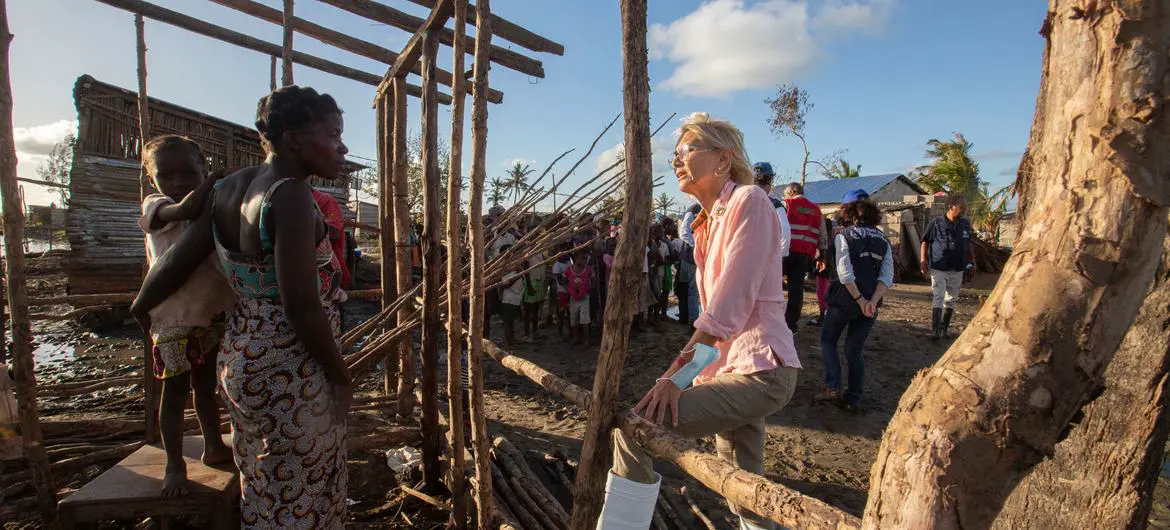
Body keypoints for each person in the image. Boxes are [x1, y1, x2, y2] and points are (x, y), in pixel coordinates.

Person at [132, 86, 351, 528]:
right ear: (292, 139)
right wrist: (340, 376)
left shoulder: (229, 187)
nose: (342, 147)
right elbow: (301, 305)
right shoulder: (289, 195)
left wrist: (142, 308)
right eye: (333, 134)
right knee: (303, 485)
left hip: (241, 356)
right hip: (290, 363)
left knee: (265, 477)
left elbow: (178, 260)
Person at [598, 113, 799, 530]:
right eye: (675, 153)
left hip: (760, 369)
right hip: (730, 368)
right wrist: (694, 372)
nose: (676, 160)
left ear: (723, 160)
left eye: (687, 151)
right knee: (744, 483)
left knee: (635, 430)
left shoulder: (749, 200)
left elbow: (727, 307)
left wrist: (676, 376)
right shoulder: (706, 223)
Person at [135, 135, 234, 496]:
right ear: (153, 180)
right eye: (168, 175)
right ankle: (174, 464)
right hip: (174, 316)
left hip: (212, 311)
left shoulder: (215, 202)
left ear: (201, 168)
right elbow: (186, 210)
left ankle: (213, 445)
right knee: (174, 393)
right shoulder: (156, 206)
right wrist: (213, 181)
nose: (178, 183)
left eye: (189, 173)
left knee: (206, 388)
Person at [817, 193, 892, 412]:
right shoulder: (883, 239)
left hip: (844, 300)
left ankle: (833, 386)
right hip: (870, 304)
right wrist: (872, 301)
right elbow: (887, 275)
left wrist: (858, 299)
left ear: (850, 214)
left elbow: (844, 273)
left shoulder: (845, 236)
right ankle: (853, 398)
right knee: (854, 350)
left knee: (828, 341)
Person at [920, 195, 975, 341]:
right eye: (961, 207)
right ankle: (935, 330)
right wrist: (923, 260)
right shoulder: (936, 223)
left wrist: (972, 262)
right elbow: (925, 242)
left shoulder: (965, 224)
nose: (964, 210)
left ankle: (944, 329)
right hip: (939, 266)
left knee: (951, 298)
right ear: (951, 207)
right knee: (938, 296)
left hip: (957, 267)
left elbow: (968, 244)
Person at [782, 182, 824, 333]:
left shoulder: (787, 204)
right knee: (796, 288)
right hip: (806, 254)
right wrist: (822, 256)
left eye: (785, 193)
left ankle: (772, 320)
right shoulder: (816, 209)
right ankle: (791, 324)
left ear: (791, 192)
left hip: (785, 252)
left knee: (773, 285)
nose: (784, 196)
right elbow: (822, 234)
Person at [752, 162, 792, 258]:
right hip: (766, 257)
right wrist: (781, 255)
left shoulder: (739, 201)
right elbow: (785, 230)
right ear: (770, 182)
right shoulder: (775, 205)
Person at [566, 249, 593, 345]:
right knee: (574, 319)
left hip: (584, 297)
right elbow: (565, 280)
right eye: (582, 258)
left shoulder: (588, 269)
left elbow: (593, 280)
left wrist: (589, 287)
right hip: (573, 298)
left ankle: (586, 339)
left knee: (585, 319)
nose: (584, 261)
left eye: (586, 259)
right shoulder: (569, 269)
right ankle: (576, 337)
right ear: (576, 258)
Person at [500, 257, 526, 346]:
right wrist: (518, 274)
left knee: (511, 321)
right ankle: (509, 342)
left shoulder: (515, 272)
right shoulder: (507, 273)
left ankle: (512, 339)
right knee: (507, 322)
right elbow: (505, 285)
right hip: (509, 299)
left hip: (515, 299)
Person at [522, 256, 545, 339]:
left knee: (536, 308)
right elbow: (526, 269)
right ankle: (526, 334)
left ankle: (535, 331)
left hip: (539, 282)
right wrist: (529, 286)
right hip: (531, 282)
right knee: (528, 309)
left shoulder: (539, 251)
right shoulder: (529, 252)